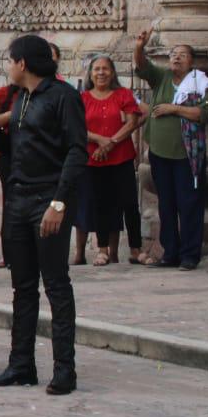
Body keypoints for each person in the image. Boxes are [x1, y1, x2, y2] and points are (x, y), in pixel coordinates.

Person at [0, 35, 87, 396]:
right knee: (22, 286)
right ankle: (21, 364)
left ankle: (64, 369)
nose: (8, 66)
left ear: (23, 63)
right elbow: (13, 147)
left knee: (55, 283)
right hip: (19, 197)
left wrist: (59, 202)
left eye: (10, 60)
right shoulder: (20, 98)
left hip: (48, 197)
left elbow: (75, 150)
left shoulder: (63, 97)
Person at [134, 30, 208, 269]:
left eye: (182, 55)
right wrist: (139, 46)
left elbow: (204, 114)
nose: (176, 58)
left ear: (192, 61)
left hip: (187, 156)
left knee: (189, 203)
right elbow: (141, 65)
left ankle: (190, 255)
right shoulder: (162, 77)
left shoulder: (202, 82)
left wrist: (172, 109)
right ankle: (171, 253)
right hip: (160, 153)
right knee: (166, 204)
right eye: (173, 54)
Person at [75, 55, 143, 265]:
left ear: (112, 72)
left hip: (121, 157)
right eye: (97, 69)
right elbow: (76, 127)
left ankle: (135, 249)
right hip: (94, 159)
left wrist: (111, 143)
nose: (101, 73)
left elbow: (132, 122)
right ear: (91, 74)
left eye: (105, 69)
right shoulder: (83, 98)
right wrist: (99, 140)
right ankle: (102, 249)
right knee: (100, 204)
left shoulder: (123, 94)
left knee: (129, 204)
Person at [0, 81, 21, 269]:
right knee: (10, 204)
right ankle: (9, 253)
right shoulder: (5, 93)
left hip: (31, 154)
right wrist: (14, 114)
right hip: (8, 155)